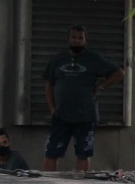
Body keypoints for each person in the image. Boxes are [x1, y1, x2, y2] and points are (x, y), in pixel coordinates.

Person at [42, 25, 123, 171]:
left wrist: (101, 87)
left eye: (80, 38)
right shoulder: (58, 59)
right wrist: (52, 108)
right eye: (74, 37)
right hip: (61, 116)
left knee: (84, 154)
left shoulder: (94, 59)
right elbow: (48, 84)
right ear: (68, 39)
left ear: (85, 41)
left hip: (86, 116)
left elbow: (119, 73)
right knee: (51, 152)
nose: (77, 40)